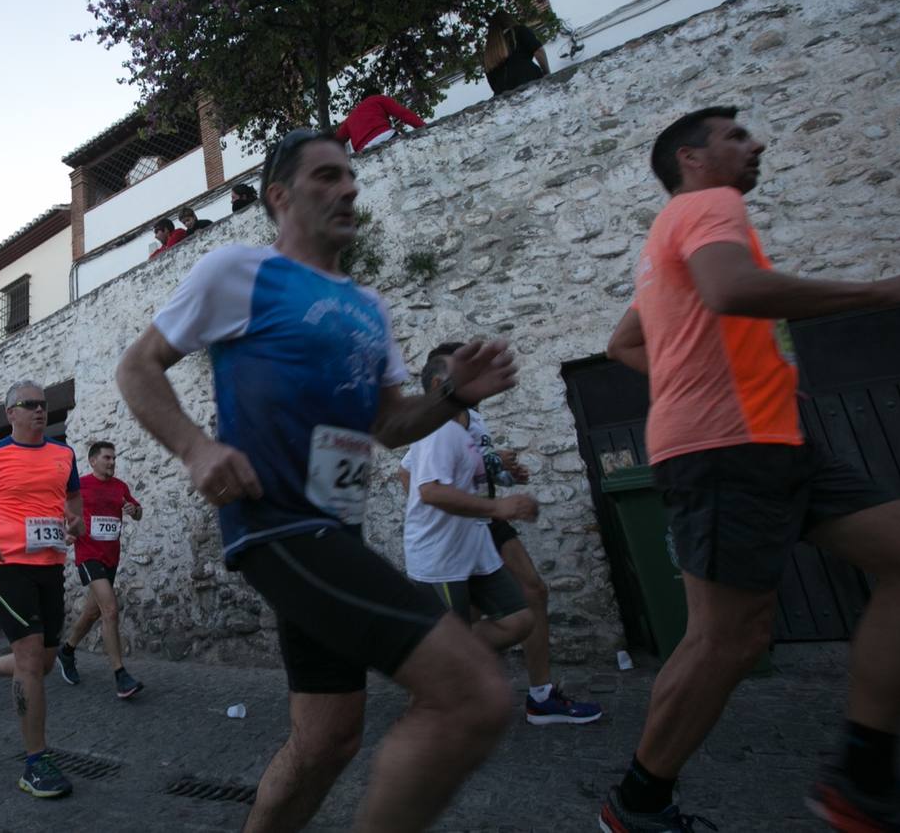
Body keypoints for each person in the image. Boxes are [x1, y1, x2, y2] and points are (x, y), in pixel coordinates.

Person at [116, 128, 520, 831]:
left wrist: (454, 397)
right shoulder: (238, 272)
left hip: (336, 531)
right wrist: (196, 448)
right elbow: (137, 366)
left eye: (351, 178)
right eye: (327, 177)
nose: (348, 189)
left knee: (328, 740)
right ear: (279, 196)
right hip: (274, 524)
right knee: (474, 694)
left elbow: (390, 426)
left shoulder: (371, 308)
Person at [600, 106, 900, 831]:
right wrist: (881, 294)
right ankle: (637, 806)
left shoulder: (671, 233)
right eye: (735, 135)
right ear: (691, 159)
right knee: (729, 639)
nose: (755, 142)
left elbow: (625, 341)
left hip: (775, 441)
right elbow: (732, 291)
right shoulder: (710, 204)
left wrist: (691, 378)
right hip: (726, 450)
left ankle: (859, 777)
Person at [0, 380, 82, 799]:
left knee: (43, 661)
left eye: (43, 405)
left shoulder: (65, 454)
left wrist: (74, 522)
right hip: (5, 565)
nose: (39, 411)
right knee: (28, 659)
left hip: (50, 563)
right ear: (11, 413)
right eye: (29, 405)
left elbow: (73, 502)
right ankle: (35, 761)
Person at [463, 401, 603, 725]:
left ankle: (541, 697)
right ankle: (430, 667)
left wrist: (508, 476)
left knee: (534, 591)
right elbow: (423, 475)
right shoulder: (435, 420)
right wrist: (493, 459)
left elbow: (484, 473)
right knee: (466, 615)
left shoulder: (476, 417)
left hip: (491, 519)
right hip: (461, 523)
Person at [399, 346, 535, 653]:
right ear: (438, 386)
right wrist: (498, 506)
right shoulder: (437, 428)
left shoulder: (466, 425)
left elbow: (471, 475)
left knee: (519, 619)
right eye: (468, 374)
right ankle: (441, 666)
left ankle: (445, 658)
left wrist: (504, 472)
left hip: (475, 547)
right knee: (454, 647)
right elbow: (430, 491)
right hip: (441, 554)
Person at [56, 440, 145, 698]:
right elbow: (57, 511)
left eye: (114, 458)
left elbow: (137, 513)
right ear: (93, 460)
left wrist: (134, 510)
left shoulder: (120, 487)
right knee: (110, 609)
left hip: (110, 558)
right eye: (107, 458)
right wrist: (65, 533)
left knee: (92, 613)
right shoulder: (80, 486)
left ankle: (67, 651)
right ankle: (121, 676)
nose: (112, 462)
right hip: (88, 556)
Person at [334, 92, 426, 154]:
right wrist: (425, 128)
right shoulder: (377, 99)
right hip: (386, 136)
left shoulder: (350, 118)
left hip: (364, 150)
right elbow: (403, 114)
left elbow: (337, 140)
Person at [483, 11, 550, 96]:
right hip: (529, 81)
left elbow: (492, 84)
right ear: (509, 19)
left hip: (505, 95)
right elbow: (539, 51)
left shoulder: (489, 52)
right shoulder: (519, 31)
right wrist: (547, 73)